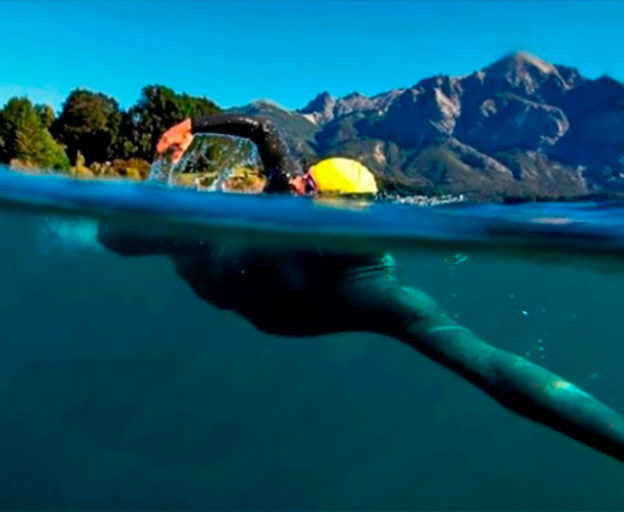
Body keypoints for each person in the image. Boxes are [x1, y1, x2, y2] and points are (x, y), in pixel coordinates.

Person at [98, 113, 624, 464]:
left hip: (272, 305)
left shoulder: (376, 292)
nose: (291, 186)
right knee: (126, 235)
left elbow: (494, 368)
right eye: (299, 182)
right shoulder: (292, 191)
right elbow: (261, 129)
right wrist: (189, 125)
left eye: (306, 190)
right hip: (218, 269)